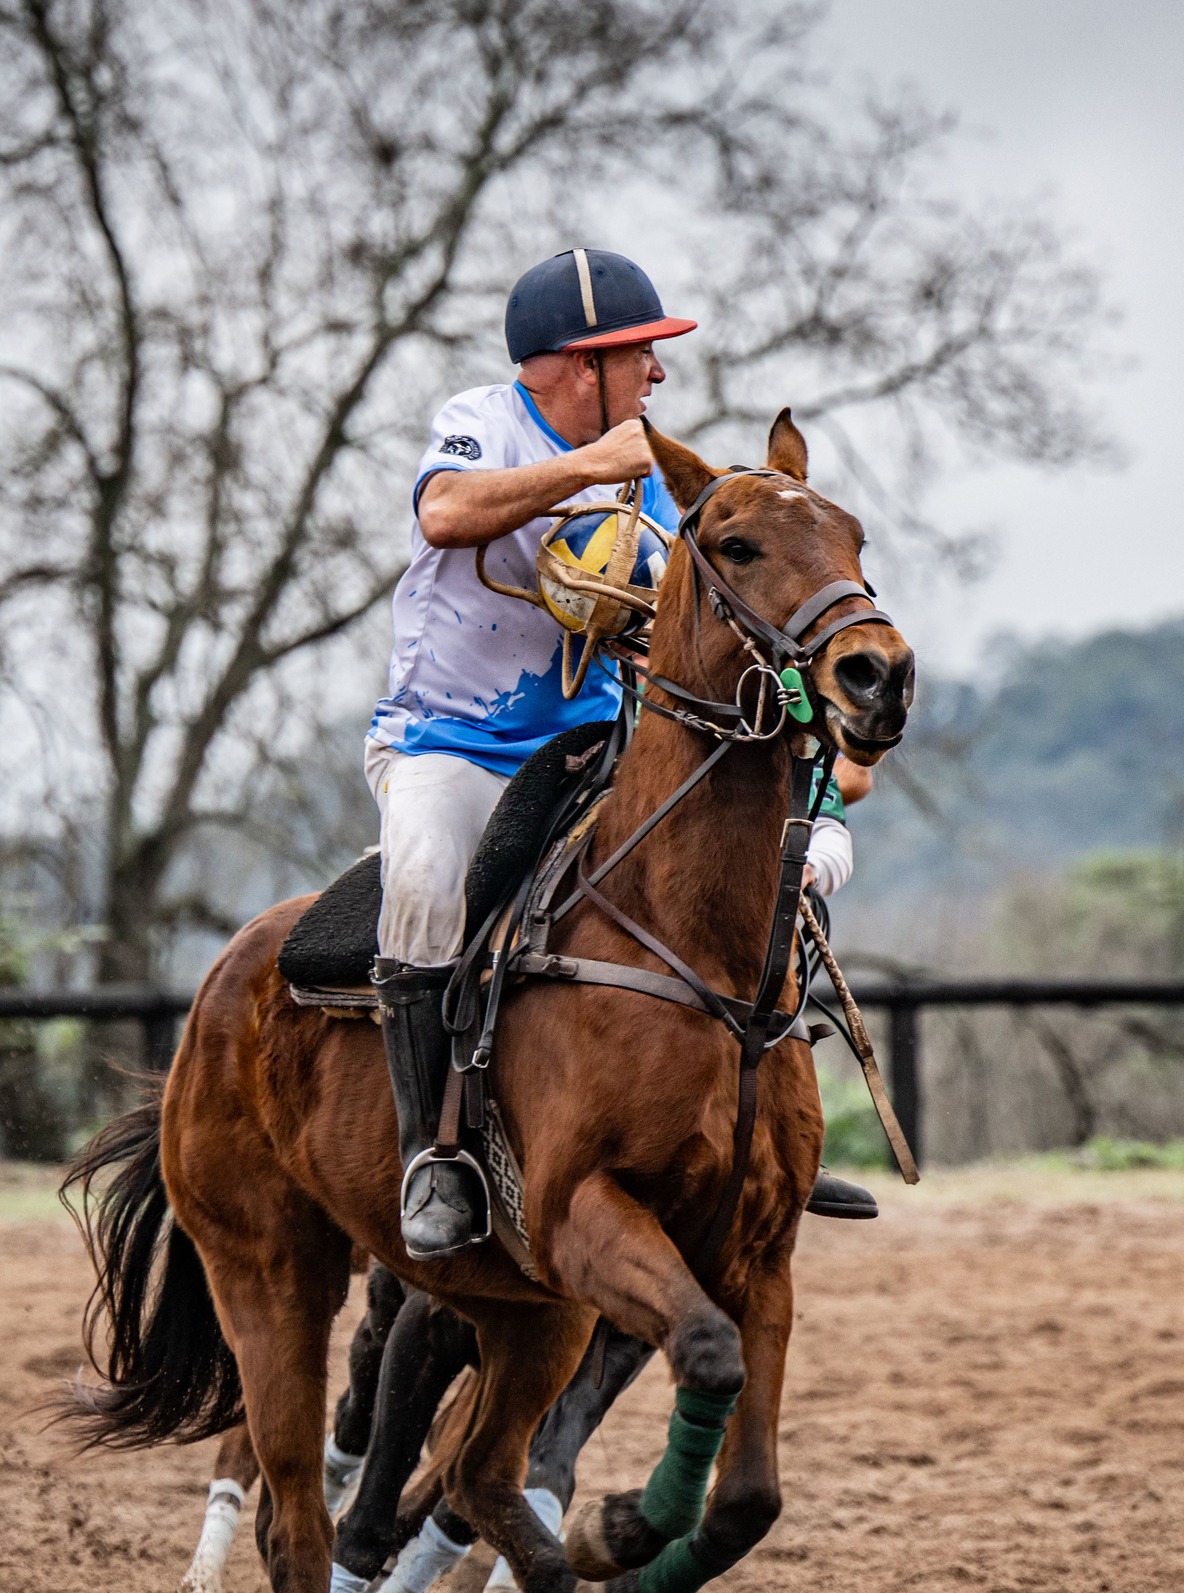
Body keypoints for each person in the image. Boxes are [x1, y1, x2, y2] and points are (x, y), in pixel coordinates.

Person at [367, 247, 871, 1258]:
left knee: (747, 865)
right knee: (423, 880)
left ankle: (763, 1131)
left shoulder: (653, 481)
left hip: (596, 745)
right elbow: (441, 514)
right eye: (642, 354)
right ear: (574, 362)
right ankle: (438, 1156)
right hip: (450, 740)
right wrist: (588, 469)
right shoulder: (485, 424)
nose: (658, 376)